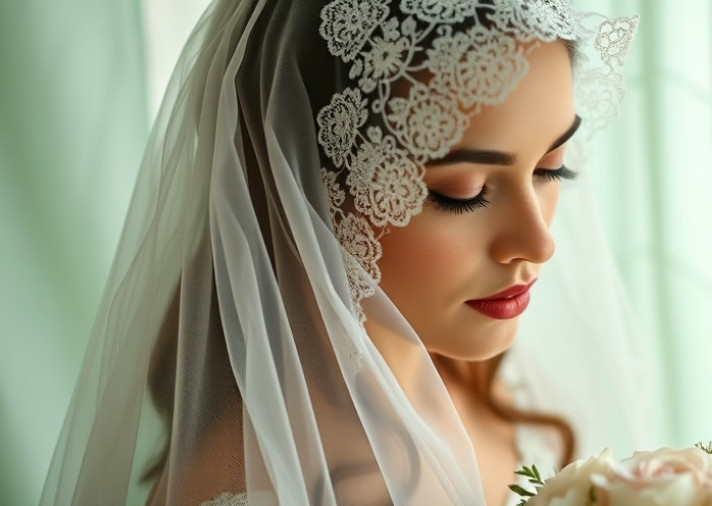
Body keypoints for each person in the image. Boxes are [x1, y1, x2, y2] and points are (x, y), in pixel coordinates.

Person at [40, 0, 646, 504]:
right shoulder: (262, 487)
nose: (539, 241)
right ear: (300, 185)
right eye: (459, 193)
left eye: (551, 168)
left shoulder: (489, 382)